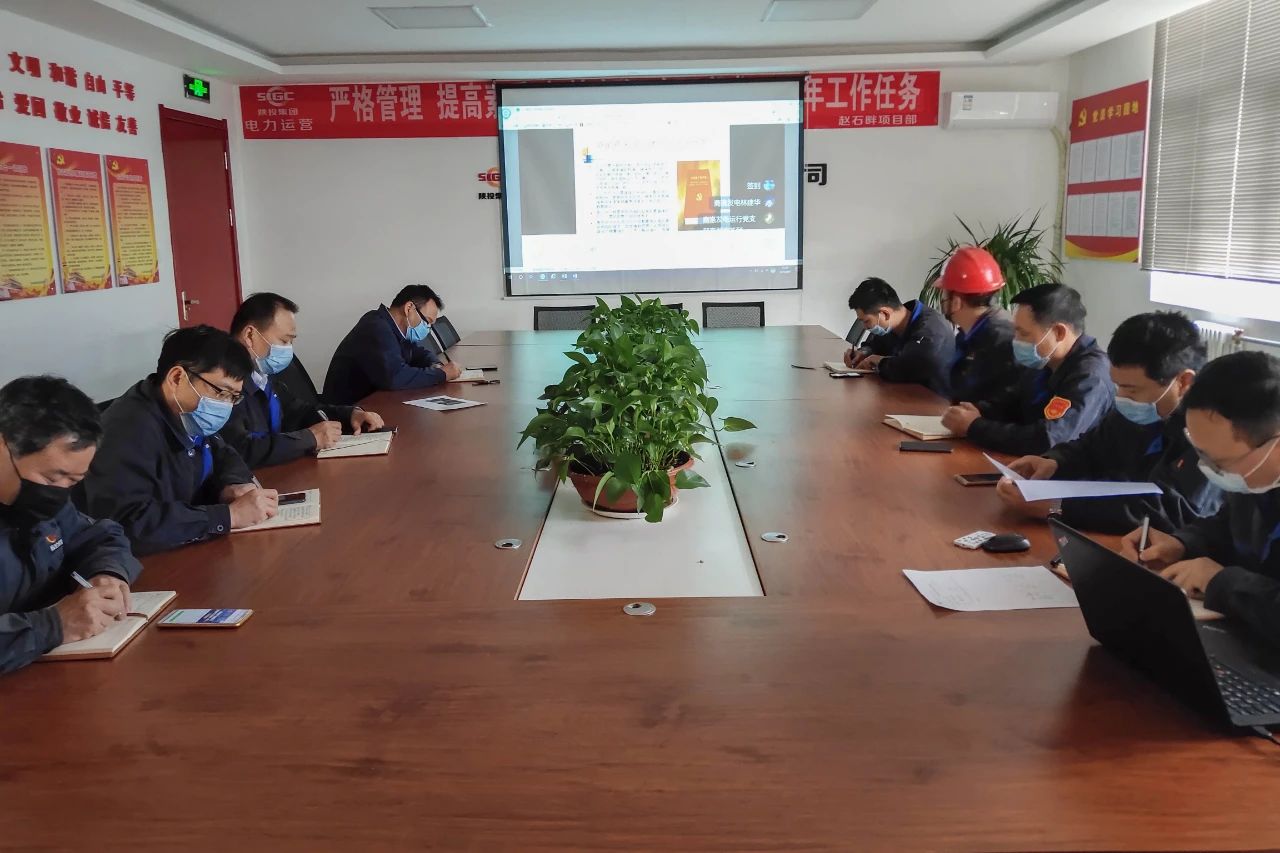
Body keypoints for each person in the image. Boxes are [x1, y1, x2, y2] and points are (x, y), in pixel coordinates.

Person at [997, 311, 1220, 533]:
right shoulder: (1137, 408)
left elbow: (1171, 512)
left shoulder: (1213, 430)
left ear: (1183, 381)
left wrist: (1056, 507)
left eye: (1132, 389)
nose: (1121, 396)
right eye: (1118, 385)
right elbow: (1091, 448)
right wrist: (1054, 462)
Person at [1121, 351, 1280, 648]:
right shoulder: (1257, 478)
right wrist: (1182, 543)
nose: (1209, 470)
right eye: (1202, 454)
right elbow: (1227, 525)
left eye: (1220, 462)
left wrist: (1220, 581)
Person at [82, 326, 278, 555]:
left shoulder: (188, 413)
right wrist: (228, 516)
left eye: (233, 397)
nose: (225, 405)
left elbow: (224, 453)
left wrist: (231, 485)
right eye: (221, 393)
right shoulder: (127, 430)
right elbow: (127, 523)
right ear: (177, 378)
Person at [1, 376, 142, 674]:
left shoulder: (40, 502)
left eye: (74, 481)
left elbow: (99, 536)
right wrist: (53, 625)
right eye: (52, 478)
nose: (60, 492)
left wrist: (107, 573)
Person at [941, 283, 1113, 455]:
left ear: (1059, 333)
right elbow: (1012, 404)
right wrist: (977, 411)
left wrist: (975, 426)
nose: (1015, 340)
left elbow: (1048, 439)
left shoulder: (1090, 376)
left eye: (1023, 334)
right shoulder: (1044, 361)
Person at [224, 292, 385, 468]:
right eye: (284, 341)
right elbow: (240, 449)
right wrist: (309, 439)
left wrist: (351, 415)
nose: (288, 350)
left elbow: (299, 411)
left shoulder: (262, 376)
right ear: (249, 335)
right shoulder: (223, 386)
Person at [322, 284, 462, 406]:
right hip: (348, 413)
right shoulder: (376, 327)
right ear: (409, 308)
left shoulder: (397, 330)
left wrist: (436, 365)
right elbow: (396, 376)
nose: (428, 328)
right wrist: (441, 374)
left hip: (376, 404)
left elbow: (419, 353)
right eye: (427, 321)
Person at [934, 246, 1021, 404]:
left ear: (956, 301)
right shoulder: (968, 333)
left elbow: (1005, 403)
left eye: (944, 293)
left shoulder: (1000, 339)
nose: (942, 299)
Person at [844, 277, 955, 396]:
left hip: (932, 401)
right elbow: (875, 345)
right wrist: (864, 352)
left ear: (885, 313)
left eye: (866, 321)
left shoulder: (931, 330)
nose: (865, 327)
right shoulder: (894, 324)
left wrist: (880, 362)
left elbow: (908, 368)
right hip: (899, 394)